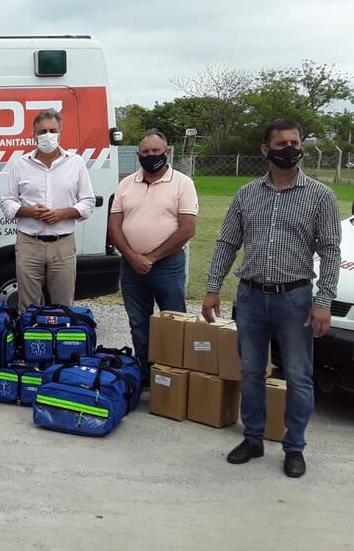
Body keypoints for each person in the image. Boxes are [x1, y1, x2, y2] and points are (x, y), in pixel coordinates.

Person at [202, 119, 340, 479]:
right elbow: (227, 242)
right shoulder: (246, 194)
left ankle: (294, 447)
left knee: (298, 376)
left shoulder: (320, 196)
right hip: (250, 296)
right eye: (281, 144)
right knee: (250, 372)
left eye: (295, 143)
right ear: (265, 150)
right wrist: (213, 287)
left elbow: (330, 251)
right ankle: (253, 438)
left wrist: (323, 300)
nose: (290, 149)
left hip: (295, 299)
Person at [108, 129, 198, 382]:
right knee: (138, 323)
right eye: (145, 152)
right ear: (138, 155)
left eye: (156, 151)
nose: (151, 156)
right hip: (131, 266)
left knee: (173, 321)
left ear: (167, 152)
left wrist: (152, 257)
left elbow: (188, 228)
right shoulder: (126, 184)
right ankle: (146, 375)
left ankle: (175, 376)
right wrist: (133, 256)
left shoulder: (183, 183)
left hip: (167, 265)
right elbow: (114, 226)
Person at [0, 109, 95, 310]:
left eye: (52, 130)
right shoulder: (21, 164)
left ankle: (60, 340)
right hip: (29, 243)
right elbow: (7, 202)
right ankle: (29, 340)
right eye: (42, 131)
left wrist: (62, 214)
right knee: (27, 305)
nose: (47, 136)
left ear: (60, 132)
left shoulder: (75, 163)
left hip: (63, 244)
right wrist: (29, 211)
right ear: (33, 134)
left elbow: (88, 203)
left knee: (63, 304)